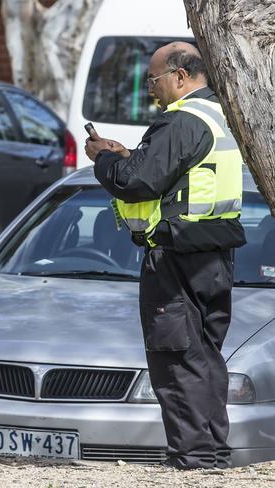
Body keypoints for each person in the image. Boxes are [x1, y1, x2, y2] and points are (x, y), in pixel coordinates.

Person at [84, 41, 246, 470]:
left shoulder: (180, 120)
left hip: (176, 258)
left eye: (153, 80)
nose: (150, 90)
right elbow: (178, 172)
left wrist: (104, 161)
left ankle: (193, 459)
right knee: (206, 357)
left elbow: (137, 184)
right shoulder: (217, 114)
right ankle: (210, 453)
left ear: (179, 76)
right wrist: (128, 155)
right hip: (214, 257)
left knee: (177, 360)